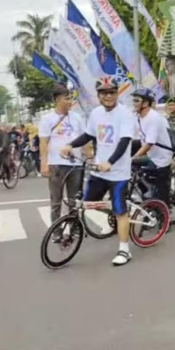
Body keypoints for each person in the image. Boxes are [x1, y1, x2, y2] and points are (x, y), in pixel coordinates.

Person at [61, 77, 135, 266]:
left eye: (112, 92)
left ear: (117, 93)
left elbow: (124, 141)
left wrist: (110, 162)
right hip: (99, 170)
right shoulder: (96, 114)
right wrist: (70, 145)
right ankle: (118, 210)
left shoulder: (125, 114)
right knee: (86, 202)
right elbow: (88, 135)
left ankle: (124, 250)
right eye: (104, 93)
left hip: (118, 172)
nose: (108, 96)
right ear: (99, 96)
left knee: (120, 211)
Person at [39, 84, 85, 239]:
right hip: (56, 164)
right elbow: (44, 142)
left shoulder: (78, 118)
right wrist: (44, 163)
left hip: (76, 164)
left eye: (70, 98)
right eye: (67, 98)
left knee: (74, 200)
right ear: (58, 100)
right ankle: (56, 232)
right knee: (56, 201)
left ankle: (75, 228)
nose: (70, 101)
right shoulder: (47, 119)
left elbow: (85, 139)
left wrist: (89, 156)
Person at [132, 88, 174, 206]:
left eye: (137, 101)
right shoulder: (138, 117)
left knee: (161, 191)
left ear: (145, 103)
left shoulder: (154, 117)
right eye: (133, 100)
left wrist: (135, 156)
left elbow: (150, 143)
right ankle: (146, 193)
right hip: (151, 154)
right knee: (132, 168)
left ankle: (165, 216)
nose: (134, 103)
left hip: (161, 157)